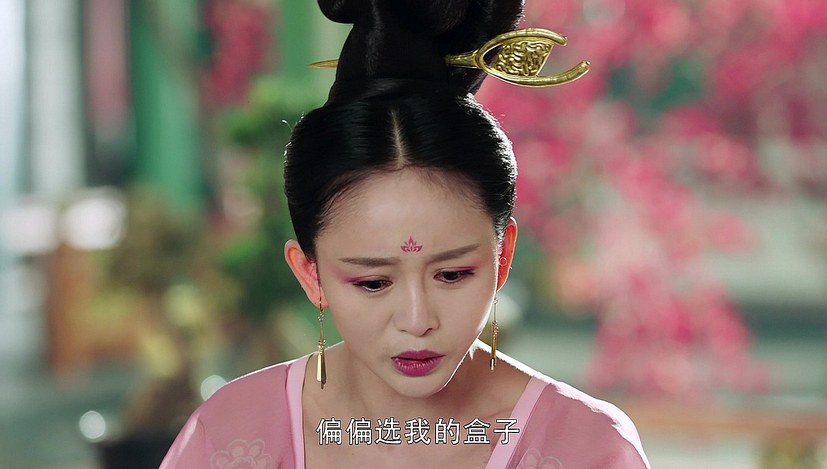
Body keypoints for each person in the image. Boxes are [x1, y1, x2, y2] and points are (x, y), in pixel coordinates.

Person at [161, 0, 650, 467]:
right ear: (310, 274)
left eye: (453, 274)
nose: (417, 322)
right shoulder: (231, 437)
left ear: (502, 256)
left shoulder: (586, 448)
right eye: (373, 282)